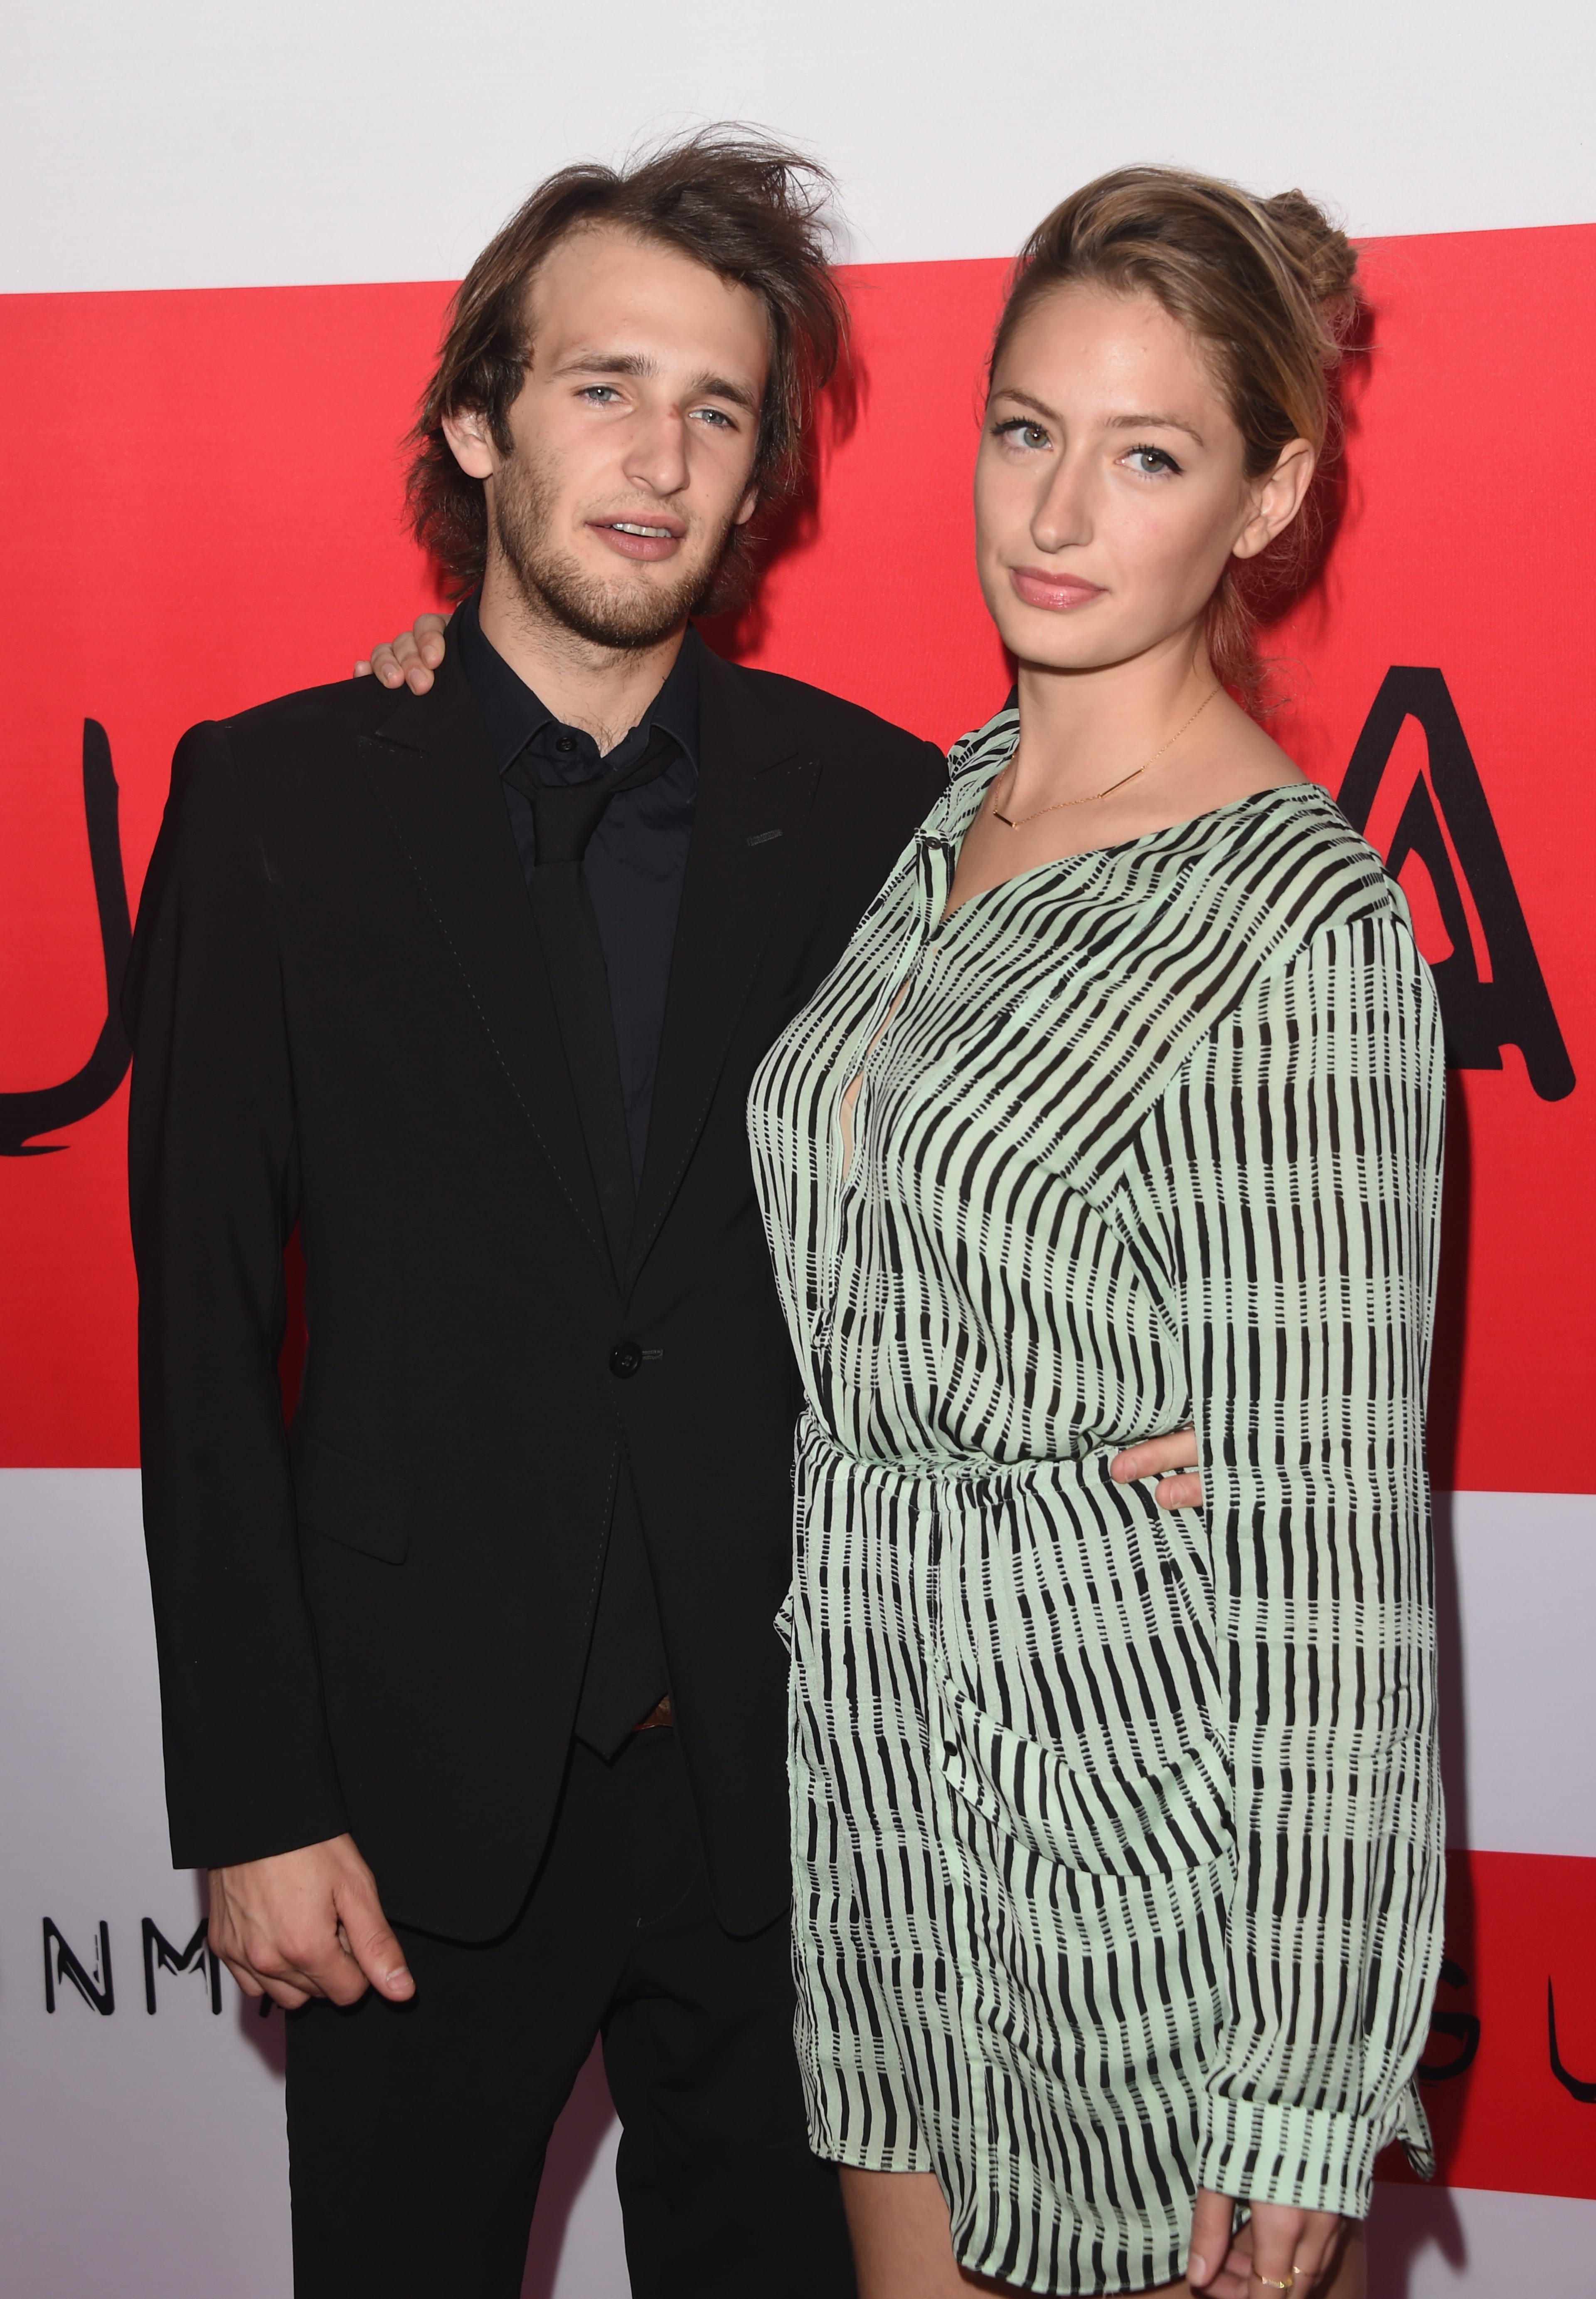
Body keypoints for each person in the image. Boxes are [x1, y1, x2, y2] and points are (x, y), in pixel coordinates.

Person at [126, 131, 1202, 2299]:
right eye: (605, 387)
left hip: (794, 1795)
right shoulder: (277, 802)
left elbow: (977, 1213)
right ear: (475, 422)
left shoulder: (890, 806)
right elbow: (201, 1335)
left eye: (717, 409)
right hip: (409, 1803)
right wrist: (253, 1796)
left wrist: (1114, 1432)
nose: (661, 455)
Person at [744, 170, 1445, 2299]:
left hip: (1129, 1840)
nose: (1056, 512)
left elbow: (1334, 1567)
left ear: (1266, 496)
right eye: (1026, 429)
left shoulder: (1296, 929)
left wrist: (1304, 2083)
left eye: (1147, 456)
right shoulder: (955, 805)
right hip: (876, 1783)